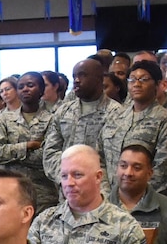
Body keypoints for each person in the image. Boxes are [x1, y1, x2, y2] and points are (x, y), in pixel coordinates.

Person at [106, 60, 167, 197]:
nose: (136, 84)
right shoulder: (115, 116)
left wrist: (133, 199)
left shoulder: (166, 121)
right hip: (109, 200)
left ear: (158, 84)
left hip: (145, 204)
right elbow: (100, 156)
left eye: (144, 79)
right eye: (132, 79)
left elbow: (163, 172)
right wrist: (106, 195)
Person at [43, 59, 121, 192]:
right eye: (74, 76)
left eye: (82, 75)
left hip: (101, 194)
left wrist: (98, 188)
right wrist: (68, 177)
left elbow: (115, 161)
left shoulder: (116, 113)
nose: (77, 80)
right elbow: (50, 152)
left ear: (99, 79)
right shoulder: (63, 111)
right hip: (68, 192)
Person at [0, 74, 56, 210]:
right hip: (7, 190)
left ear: (41, 90)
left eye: (30, 85)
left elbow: (47, 157)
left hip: (41, 194)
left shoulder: (52, 120)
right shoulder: (4, 119)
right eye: (21, 87)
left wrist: (10, 156)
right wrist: (28, 146)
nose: (25, 89)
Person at [114, 143, 167, 244]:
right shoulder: (99, 208)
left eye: (137, 168)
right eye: (123, 166)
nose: (128, 173)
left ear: (149, 173)